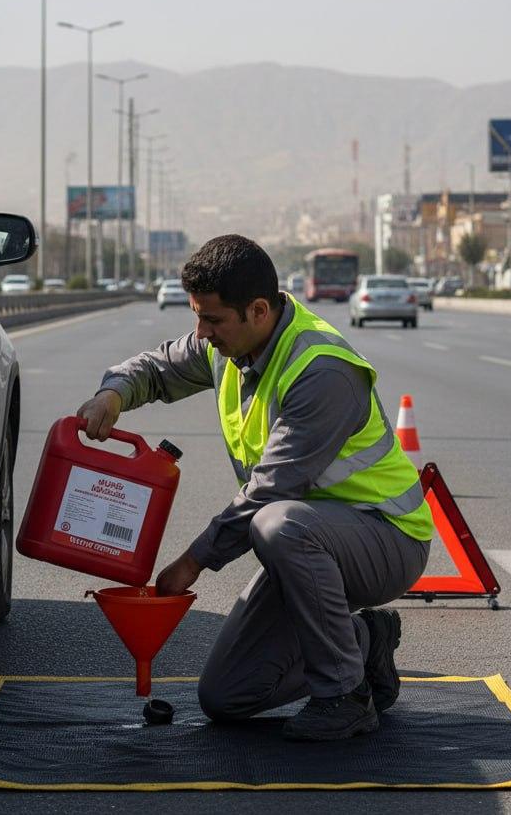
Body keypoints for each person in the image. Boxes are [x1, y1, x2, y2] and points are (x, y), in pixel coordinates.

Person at [77, 235, 432, 741]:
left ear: (259, 311)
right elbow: (158, 366)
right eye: (197, 317)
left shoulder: (322, 370)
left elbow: (270, 491)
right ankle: (365, 640)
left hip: (386, 538)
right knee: (226, 696)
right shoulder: (229, 344)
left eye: (213, 320)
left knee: (276, 522)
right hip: (307, 542)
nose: (202, 333)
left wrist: (192, 562)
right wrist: (113, 394)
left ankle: (345, 697)